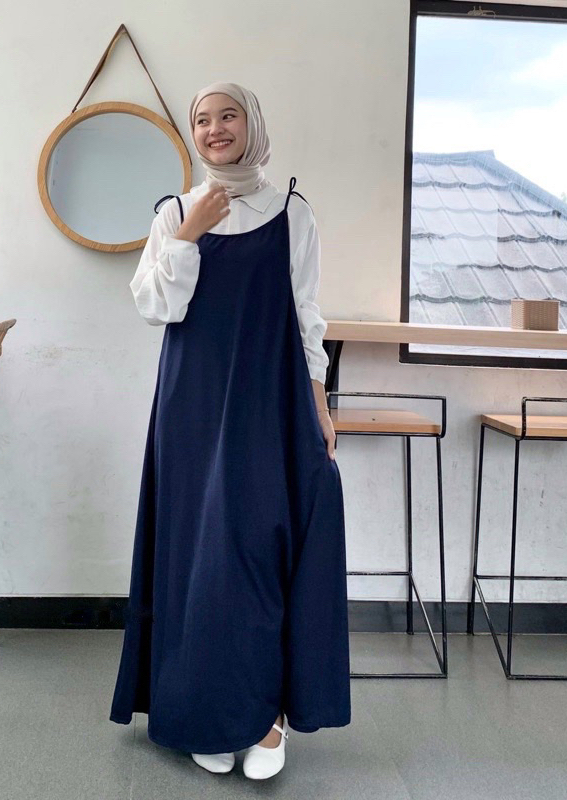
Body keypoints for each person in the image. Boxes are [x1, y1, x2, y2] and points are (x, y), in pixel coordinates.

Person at [110, 81, 350, 780]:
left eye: (228, 115)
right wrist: (188, 232)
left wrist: (320, 405)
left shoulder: (291, 212)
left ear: (252, 125)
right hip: (190, 406)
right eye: (202, 120)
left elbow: (307, 317)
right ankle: (204, 713)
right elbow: (155, 306)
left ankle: (268, 717)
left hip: (268, 402)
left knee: (256, 548)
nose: (215, 129)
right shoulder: (174, 211)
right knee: (194, 556)